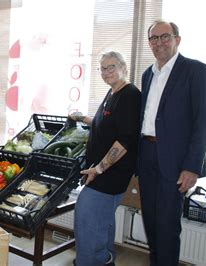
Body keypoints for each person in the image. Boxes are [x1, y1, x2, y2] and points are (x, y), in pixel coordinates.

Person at [137, 20, 206, 265]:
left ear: (177, 39)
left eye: (165, 37)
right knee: (151, 223)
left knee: (167, 227)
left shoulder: (195, 70)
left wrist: (192, 166)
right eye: (154, 38)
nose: (159, 43)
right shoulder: (147, 74)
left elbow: (203, 122)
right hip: (147, 155)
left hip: (176, 162)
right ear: (149, 43)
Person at [71, 51, 141, 266]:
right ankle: (105, 258)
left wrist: (99, 168)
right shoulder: (112, 93)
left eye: (112, 67)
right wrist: (83, 117)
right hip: (101, 170)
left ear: (124, 68)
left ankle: (89, 261)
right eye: (103, 68)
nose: (107, 72)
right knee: (103, 220)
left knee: (87, 215)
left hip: (111, 173)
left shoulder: (130, 95)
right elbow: (105, 125)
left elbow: (125, 140)